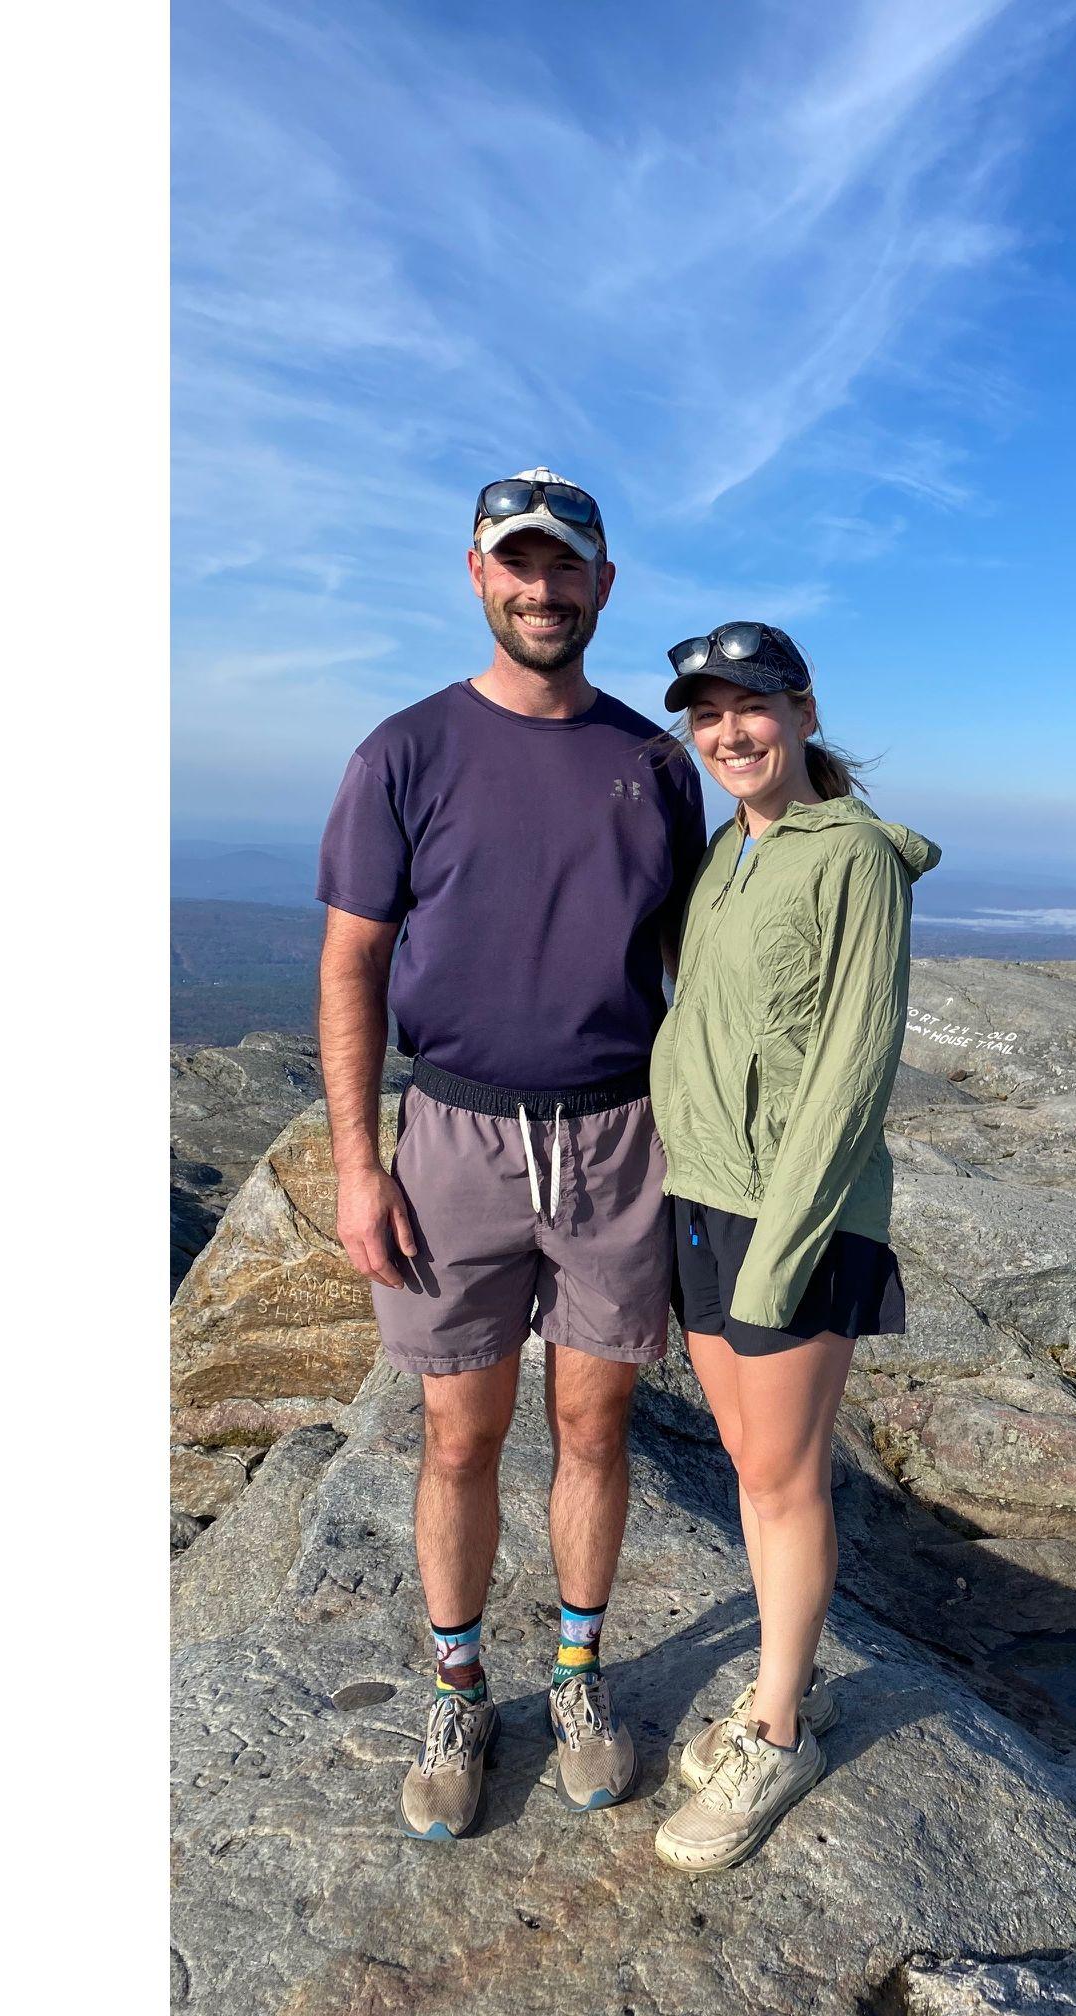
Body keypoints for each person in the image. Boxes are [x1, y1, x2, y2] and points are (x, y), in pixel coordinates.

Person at [315, 468, 706, 1840]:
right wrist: (359, 1167)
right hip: (457, 1141)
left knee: (597, 1425)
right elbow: (353, 962)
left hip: (616, 1139)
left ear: (605, 584)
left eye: (566, 565)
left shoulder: (653, 762)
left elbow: (685, 966)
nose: (542, 587)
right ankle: (459, 1686)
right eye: (516, 564)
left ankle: (581, 1675)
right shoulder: (405, 752)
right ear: (478, 577)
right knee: (457, 1433)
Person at [645, 622, 939, 1872]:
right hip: (701, 1196)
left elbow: (853, 1068)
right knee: (748, 1464)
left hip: (790, 1216)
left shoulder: (853, 860)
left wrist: (784, 1246)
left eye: (750, 706)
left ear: (804, 711)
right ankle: (784, 1688)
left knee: (783, 1474)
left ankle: (777, 1730)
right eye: (705, 714)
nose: (727, 733)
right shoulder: (730, 851)